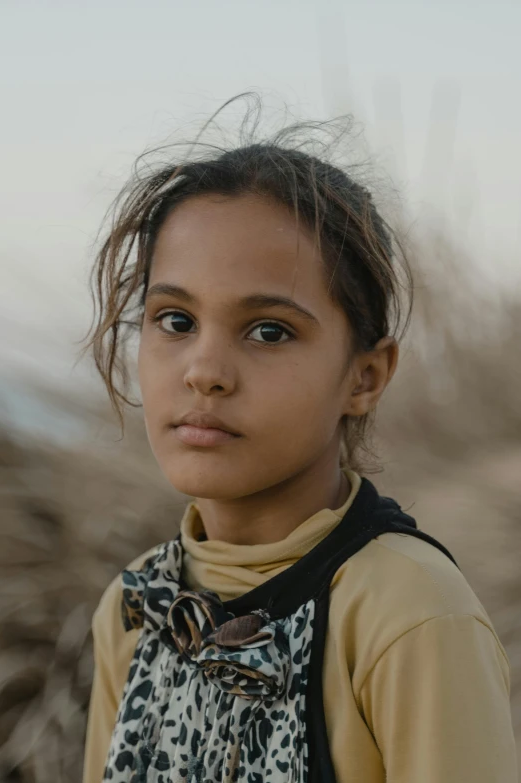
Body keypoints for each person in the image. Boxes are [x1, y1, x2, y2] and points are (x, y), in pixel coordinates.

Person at [82, 98, 517, 783]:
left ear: (365, 377)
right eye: (174, 319)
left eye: (269, 331)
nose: (204, 371)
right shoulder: (140, 606)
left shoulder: (409, 612)